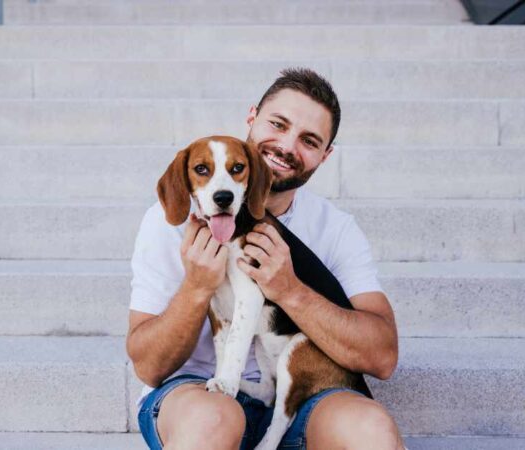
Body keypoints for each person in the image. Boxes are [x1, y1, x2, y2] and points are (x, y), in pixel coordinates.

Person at [126, 68, 405, 450]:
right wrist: (196, 287)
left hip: (302, 400)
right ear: (252, 117)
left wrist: (290, 290)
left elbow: (383, 356)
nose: (287, 146)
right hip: (194, 393)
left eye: (309, 140)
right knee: (214, 419)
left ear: (325, 156)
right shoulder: (168, 222)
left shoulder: (336, 229)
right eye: (278, 123)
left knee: (369, 428)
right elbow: (148, 366)